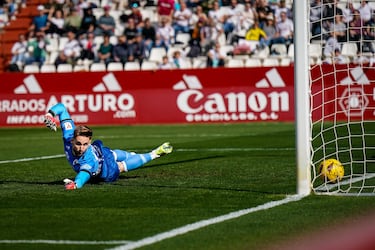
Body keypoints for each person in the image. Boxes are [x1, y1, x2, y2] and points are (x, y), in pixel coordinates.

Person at [43, 103, 173, 190]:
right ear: (72, 140)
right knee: (117, 160)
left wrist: (76, 184)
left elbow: (83, 175)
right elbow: (61, 107)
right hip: (102, 161)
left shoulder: (88, 159)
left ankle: (154, 154)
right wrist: (50, 115)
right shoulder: (69, 135)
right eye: (78, 144)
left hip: (102, 161)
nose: (81, 148)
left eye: (85, 144)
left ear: (89, 141)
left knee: (118, 162)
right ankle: (144, 155)